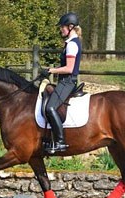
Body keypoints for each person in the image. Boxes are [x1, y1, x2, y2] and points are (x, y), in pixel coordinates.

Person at [41, 12, 82, 154]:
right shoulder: (70, 43)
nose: (61, 30)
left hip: (67, 82)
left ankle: (60, 141)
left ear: (70, 27)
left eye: (63, 27)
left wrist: (52, 70)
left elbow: (69, 68)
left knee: (50, 108)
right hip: (65, 81)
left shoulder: (72, 45)